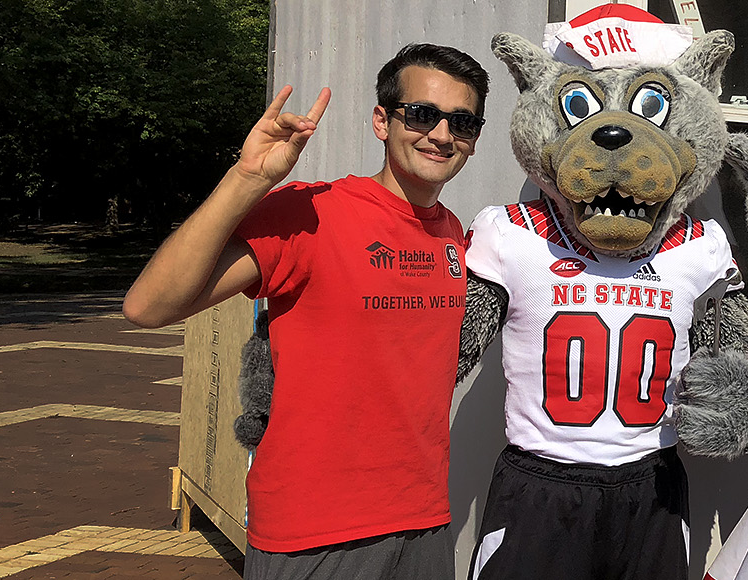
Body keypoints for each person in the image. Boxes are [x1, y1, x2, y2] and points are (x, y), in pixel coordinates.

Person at [122, 43, 491, 579]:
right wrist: (248, 179)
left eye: (462, 122)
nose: (441, 134)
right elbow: (148, 306)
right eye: (422, 114)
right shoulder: (311, 212)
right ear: (382, 121)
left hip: (423, 520)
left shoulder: (454, 235)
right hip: (314, 531)